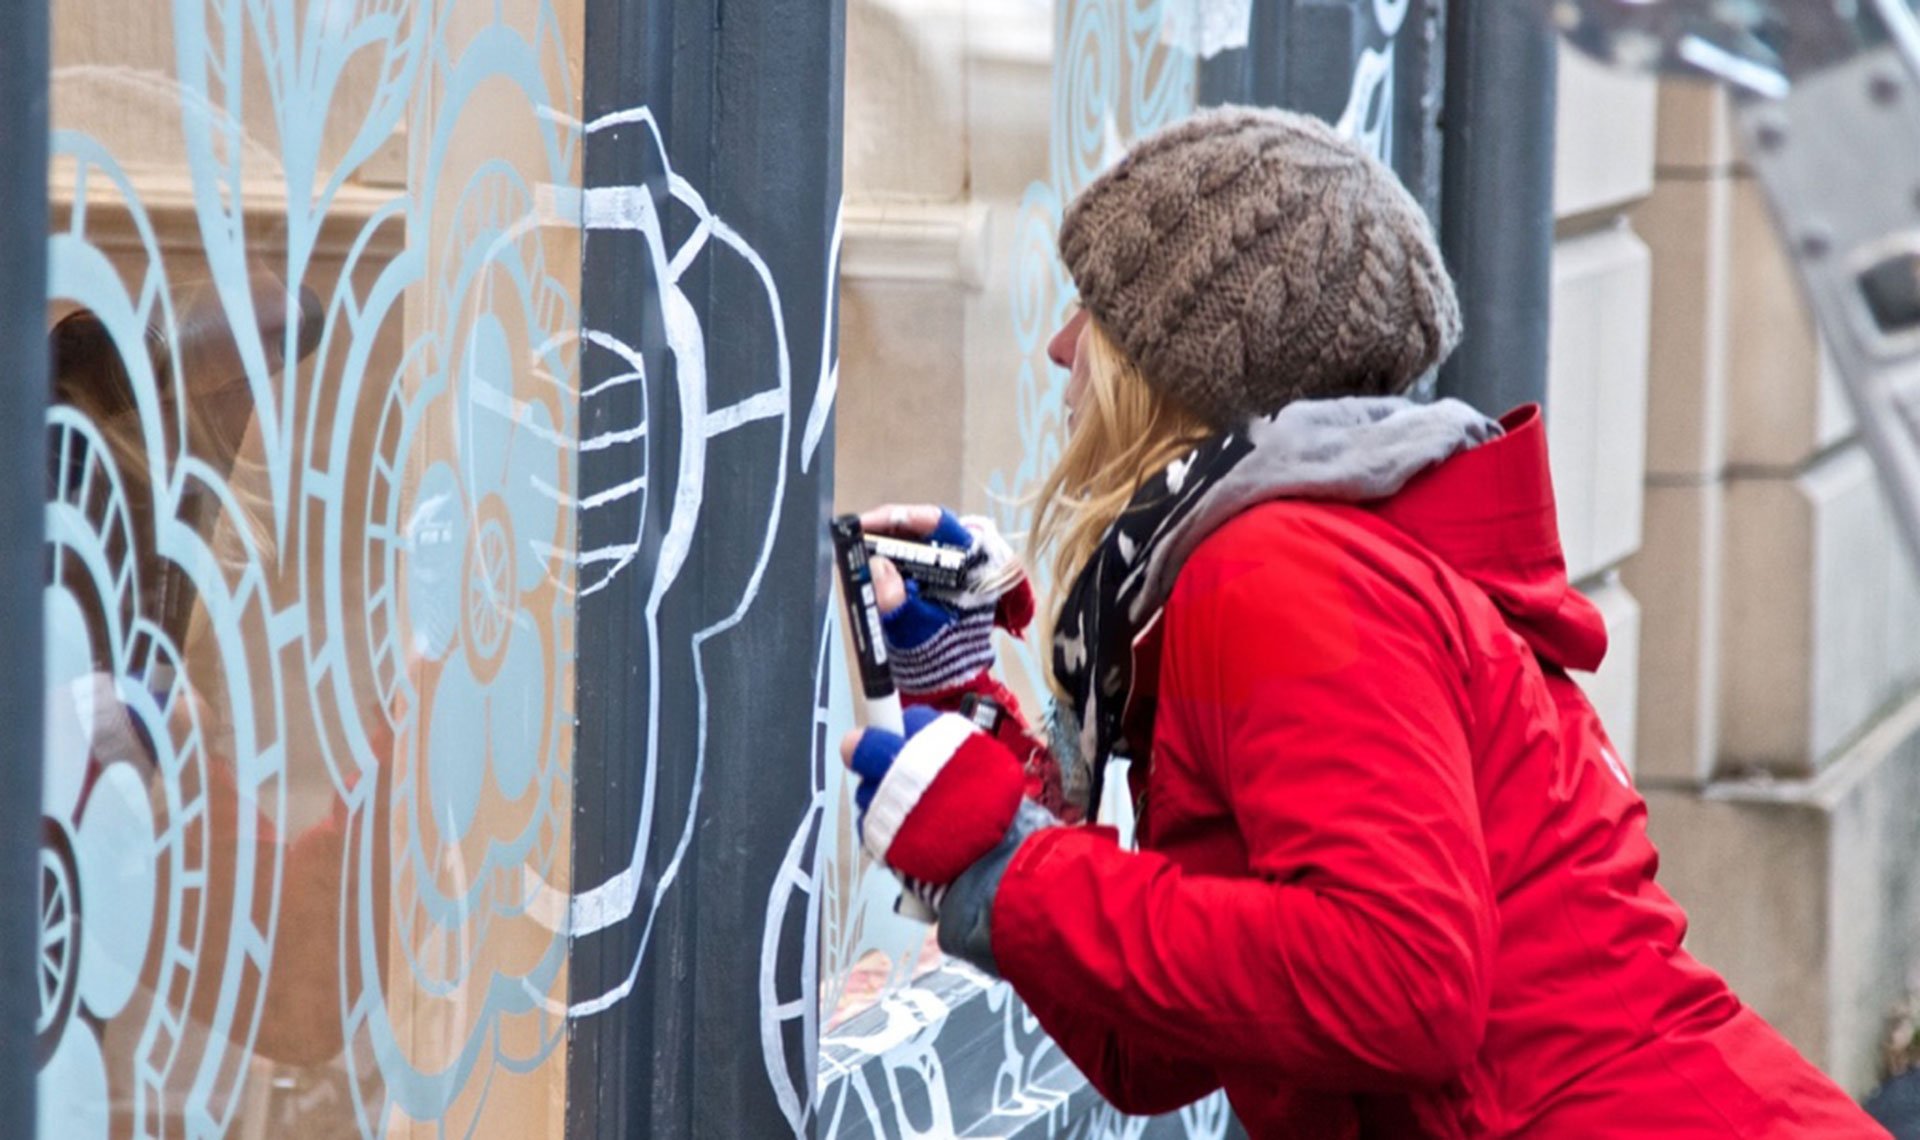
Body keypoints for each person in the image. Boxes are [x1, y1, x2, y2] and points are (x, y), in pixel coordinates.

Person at [839, 106, 1890, 1138]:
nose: (1064, 348)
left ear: (1191, 364)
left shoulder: (1279, 571)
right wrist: (970, 727)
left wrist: (1015, 864)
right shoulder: (1283, 560)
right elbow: (1158, 1050)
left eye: (1096, 309)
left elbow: (1401, 984)